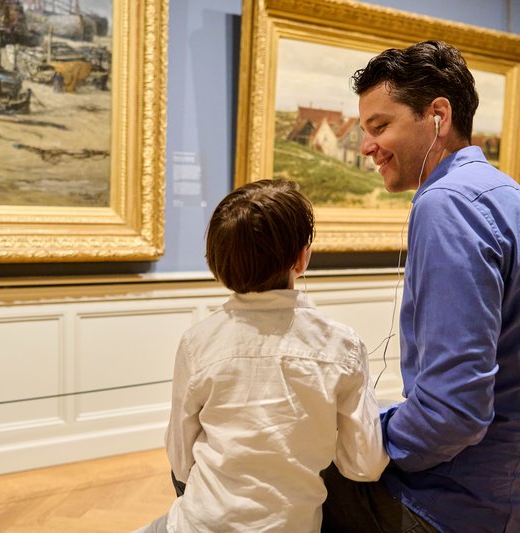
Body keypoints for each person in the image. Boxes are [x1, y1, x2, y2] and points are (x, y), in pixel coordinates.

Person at [321, 41, 520, 533]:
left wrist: (370, 440)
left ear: (437, 115)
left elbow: (454, 414)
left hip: (458, 509)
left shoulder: (447, 204)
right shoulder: (515, 199)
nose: (366, 147)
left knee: (254, 454)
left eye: (380, 126)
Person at [137, 179, 388, 533]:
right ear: (302, 258)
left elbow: (180, 461)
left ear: (217, 263)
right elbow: (365, 464)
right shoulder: (342, 346)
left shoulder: (198, 342)